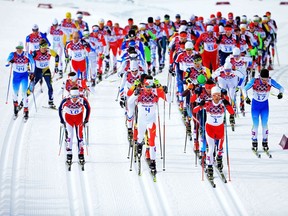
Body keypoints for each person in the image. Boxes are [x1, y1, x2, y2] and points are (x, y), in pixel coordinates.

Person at [127, 75, 170, 171]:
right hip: (141, 121)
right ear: (143, 86)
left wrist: (166, 92)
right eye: (146, 87)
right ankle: (138, 146)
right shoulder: (139, 91)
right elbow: (129, 102)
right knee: (140, 137)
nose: (148, 89)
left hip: (151, 121)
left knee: (152, 141)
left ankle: (153, 161)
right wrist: (134, 94)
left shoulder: (155, 92)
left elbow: (169, 100)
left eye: (150, 87)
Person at [193, 86, 235, 180]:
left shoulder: (223, 103)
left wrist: (228, 104)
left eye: (218, 95)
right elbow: (194, 110)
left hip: (220, 128)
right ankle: (210, 166)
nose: (217, 97)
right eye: (215, 95)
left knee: (220, 147)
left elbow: (232, 112)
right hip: (210, 128)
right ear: (212, 95)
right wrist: (200, 105)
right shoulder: (208, 103)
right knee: (211, 149)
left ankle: (219, 159)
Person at [243, 69, 284, 151]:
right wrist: (246, 98)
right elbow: (244, 89)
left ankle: (265, 142)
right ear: (260, 77)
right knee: (256, 125)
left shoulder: (270, 81)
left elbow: (281, 88)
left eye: (266, 79)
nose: (265, 81)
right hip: (255, 106)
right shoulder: (254, 81)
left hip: (265, 106)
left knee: (264, 124)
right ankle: (254, 141)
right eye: (263, 79)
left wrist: (280, 93)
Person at [58, 87, 91, 164]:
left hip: (79, 118)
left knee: (79, 136)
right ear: (70, 95)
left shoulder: (82, 99)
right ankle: (69, 153)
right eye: (73, 97)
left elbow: (88, 108)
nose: (75, 99)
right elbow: (60, 108)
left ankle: (81, 153)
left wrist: (86, 119)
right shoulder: (66, 100)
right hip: (69, 119)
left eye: (76, 97)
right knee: (70, 135)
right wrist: (61, 120)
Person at [5, 41, 35, 119]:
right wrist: (9, 62)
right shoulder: (12, 54)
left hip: (24, 75)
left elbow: (33, 62)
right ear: (16, 48)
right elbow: (6, 64)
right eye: (18, 48)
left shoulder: (26, 54)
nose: (19, 50)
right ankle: (15, 106)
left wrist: (32, 72)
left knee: (24, 93)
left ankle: (26, 110)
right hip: (16, 76)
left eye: (21, 48)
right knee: (15, 93)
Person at [31, 38, 59, 108]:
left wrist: (56, 66)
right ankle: (24, 100)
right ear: (40, 47)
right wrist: (30, 71)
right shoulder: (35, 53)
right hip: (38, 70)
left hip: (46, 70)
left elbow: (57, 56)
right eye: (43, 47)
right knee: (32, 86)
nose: (45, 49)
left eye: (46, 47)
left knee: (50, 86)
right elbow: (29, 60)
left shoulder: (49, 51)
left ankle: (51, 101)